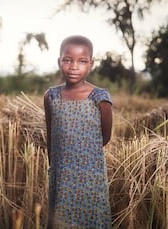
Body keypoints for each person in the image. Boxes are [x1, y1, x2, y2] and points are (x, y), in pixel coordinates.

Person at [43, 35, 113, 228]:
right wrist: (54, 167)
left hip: (91, 175)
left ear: (91, 63)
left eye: (82, 61)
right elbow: (51, 135)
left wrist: (84, 155)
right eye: (67, 60)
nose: (74, 66)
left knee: (91, 218)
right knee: (61, 219)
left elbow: (105, 136)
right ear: (59, 62)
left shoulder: (100, 98)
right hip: (61, 174)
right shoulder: (51, 96)